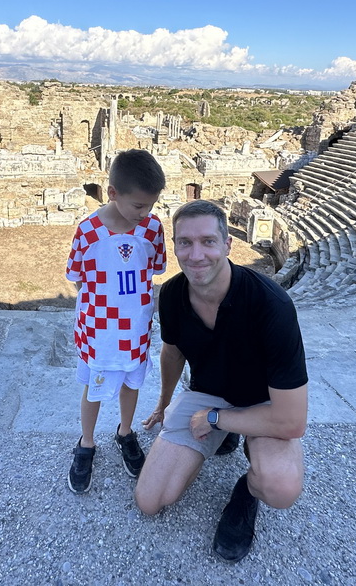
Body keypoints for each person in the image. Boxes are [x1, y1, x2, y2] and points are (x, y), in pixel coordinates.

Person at [135, 200, 308, 563]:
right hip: (207, 391)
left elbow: (292, 421)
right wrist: (164, 403)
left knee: (280, 487)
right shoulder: (171, 294)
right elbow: (172, 352)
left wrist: (215, 419)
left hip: (264, 405)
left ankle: (246, 492)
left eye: (208, 241)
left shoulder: (271, 305)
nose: (196, 255)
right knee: (150, 500)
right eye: (185, 242)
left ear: (228, 245)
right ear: (175, 246)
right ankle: (226, 435)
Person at [65, 149, 167, 493]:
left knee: (130, 382)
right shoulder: (89, 231)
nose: (145, 213)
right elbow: (77, 277)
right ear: (112, 193)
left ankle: (125, 432)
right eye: (138, 206)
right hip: (99, 328)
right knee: (94, 385)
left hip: (135, 326)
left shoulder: (152, 228)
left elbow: (152, 269)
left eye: (150, 206)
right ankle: (87, 442)